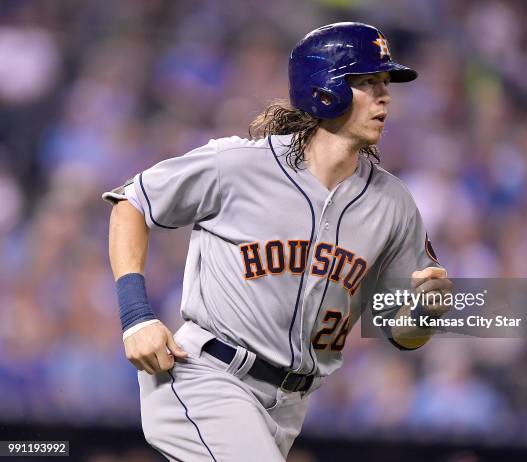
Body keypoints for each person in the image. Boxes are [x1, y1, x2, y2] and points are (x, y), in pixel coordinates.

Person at [104, 22, 451, 462]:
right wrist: (136, 316)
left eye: (385, 83)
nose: (385, 96)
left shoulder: (393, 204)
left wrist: (425, 312)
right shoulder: (238, 165)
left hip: (289, 406)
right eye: (367, 82)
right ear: (325, 89)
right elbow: (130, 203)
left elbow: (404, 337)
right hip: (206, 376)